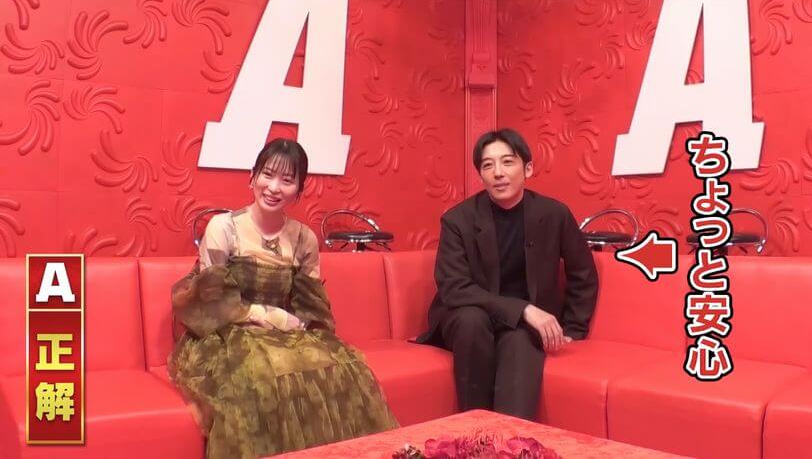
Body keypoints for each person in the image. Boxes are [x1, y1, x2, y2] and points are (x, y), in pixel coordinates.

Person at [168, 138, 398, 459]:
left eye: (287, 180)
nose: (274, 187)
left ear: (298, 191)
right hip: (226, 333)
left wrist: (299, 325)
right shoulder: (224, 227)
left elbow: (311, 304)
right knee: (256, 374)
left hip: (285, 332)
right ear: (252, 177)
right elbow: (210, 300)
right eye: (267, 175)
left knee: (343, 369)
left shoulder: (304, 238)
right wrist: (263, 314)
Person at [417, 128, 599, 420]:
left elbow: (583, 272)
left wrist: (573, 329)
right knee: (472, 322)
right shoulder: (457, 219)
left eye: (507, 162)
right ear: (481, 175)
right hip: (469, 315)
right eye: (488, 165)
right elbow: (454, 287)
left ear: (527, 168)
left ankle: (510, 437)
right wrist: (524, 309)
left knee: (522, 340)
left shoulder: (554, 214)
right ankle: (473, 428)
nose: (498, 173)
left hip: (520, 326)